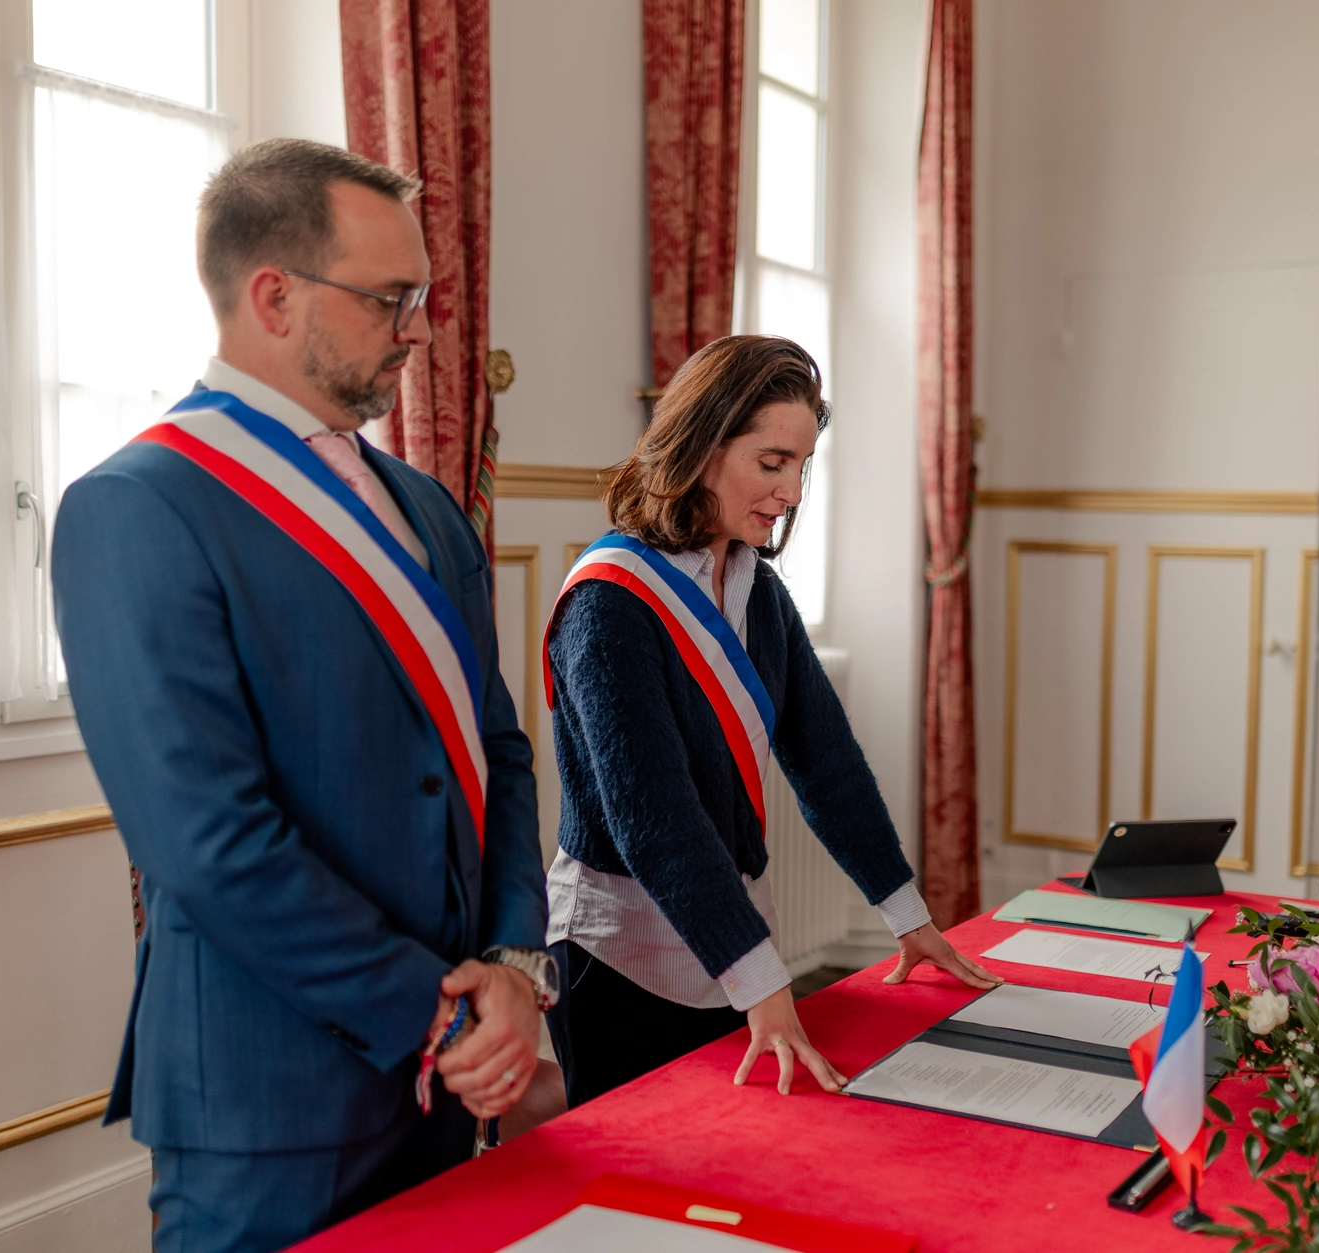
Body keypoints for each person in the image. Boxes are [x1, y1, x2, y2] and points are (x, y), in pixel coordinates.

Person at [51, 139, 554, 1253]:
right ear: (273, 296)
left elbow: (497, 752)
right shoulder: (137, 506)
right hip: (265, 1094)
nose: (419, 329)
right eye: (390, 299)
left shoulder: (424, 509)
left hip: (447, 1072)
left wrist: (516, 966)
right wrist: (433, 1008)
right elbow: (205, 838)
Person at [542, 335, 999, 1107]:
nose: (790, 492)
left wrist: (906, 914)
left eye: (800, 466)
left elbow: (826, 760)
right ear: (700, 443)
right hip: (620, 953)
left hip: (727, 943)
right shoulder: (608, 604)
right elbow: (656, 822)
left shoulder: (758, 587)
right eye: (771, 462)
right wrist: (761, 981)